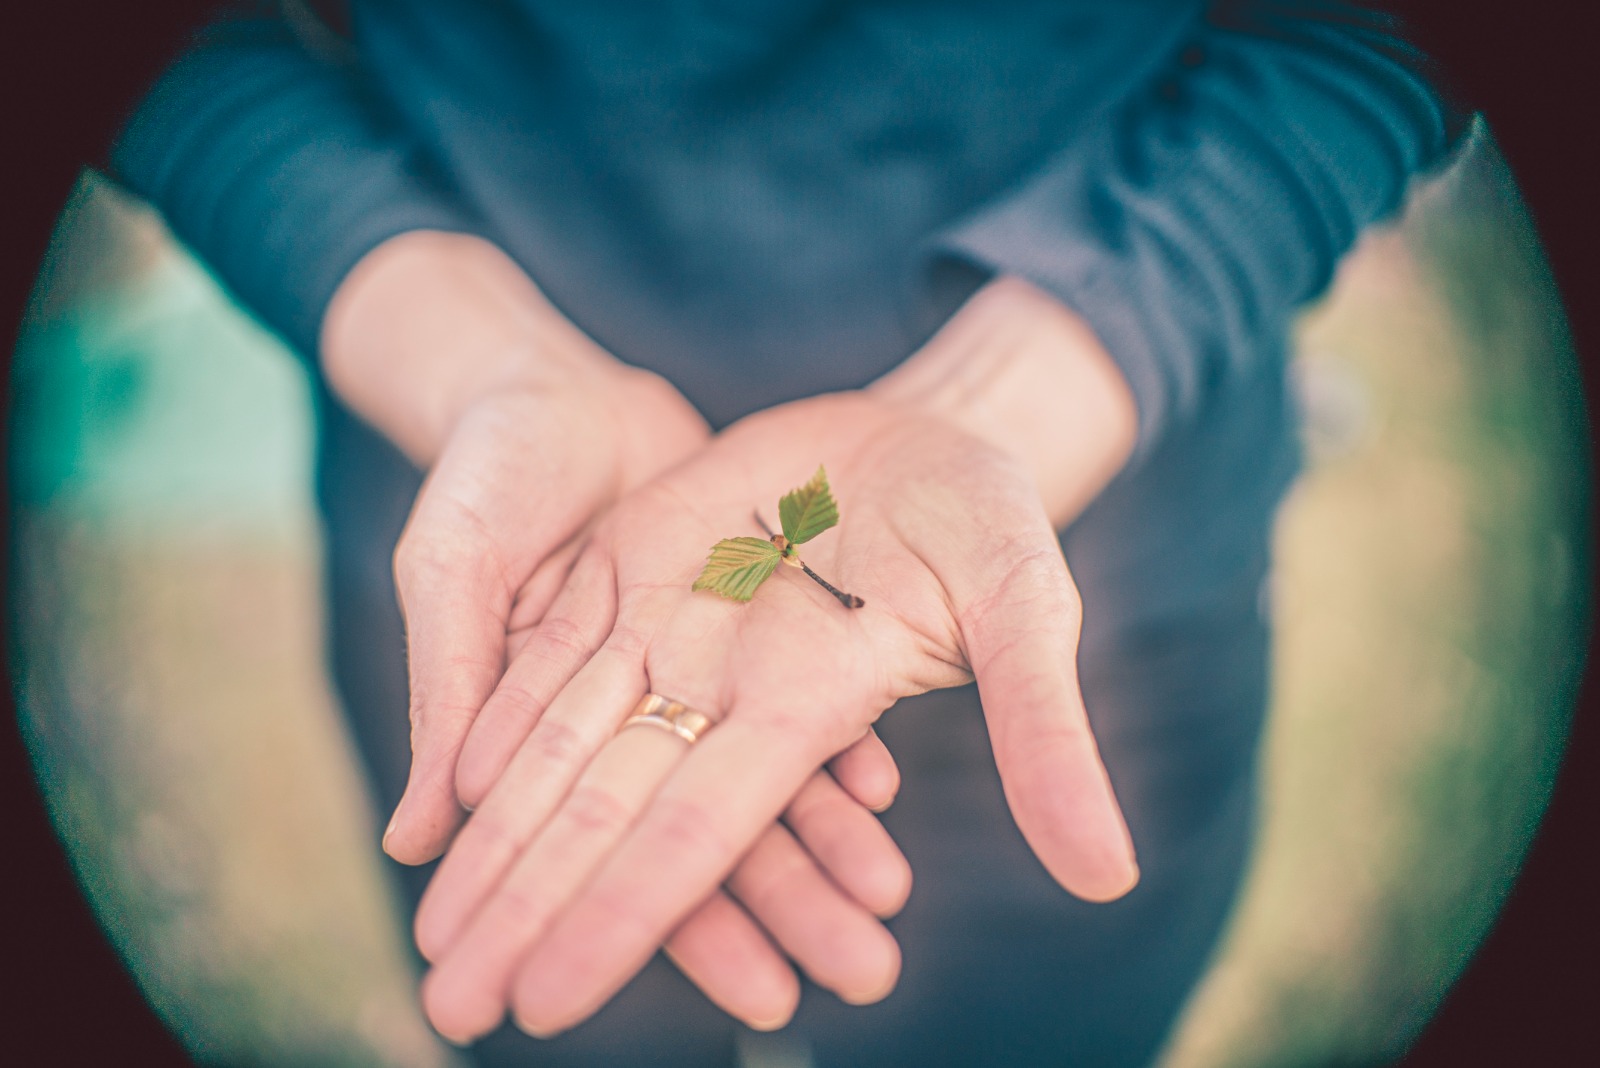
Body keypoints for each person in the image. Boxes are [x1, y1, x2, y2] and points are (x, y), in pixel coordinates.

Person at [112, 1, 1462, 1064]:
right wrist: (470, 354)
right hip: (539, 601)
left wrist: (1044, 367)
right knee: (554, 1001)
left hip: (1115, 576)